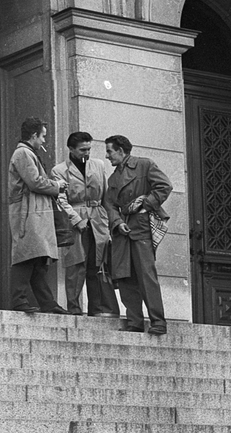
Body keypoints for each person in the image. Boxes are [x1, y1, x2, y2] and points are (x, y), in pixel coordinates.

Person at [104, 135, 172, 336]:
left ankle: (158, 321)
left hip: (141, 228)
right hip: (122, 231)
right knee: (124, 276)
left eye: (109, 151)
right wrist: (117, 222)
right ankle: (134, 321)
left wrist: (145, 205)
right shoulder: (113, 178)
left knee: (146, 275)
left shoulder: (145, 165)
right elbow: (109, 204)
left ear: (121, 151)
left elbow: (164, 186)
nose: (107, 156)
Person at [53, 132, 119, 318]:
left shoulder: (98, 165)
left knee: (98, 263)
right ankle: (74, 308)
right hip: (75, 220)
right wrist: (76, 219)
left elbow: (106, 196)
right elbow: (61, 200)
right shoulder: (59, 170)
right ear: (71, 149)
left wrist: (111, 222)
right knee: (76, 265)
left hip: (98, 218)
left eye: (89, 149)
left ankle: (99, 308)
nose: (87, 153)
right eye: (83, 150)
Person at [7, 118, 68, 315]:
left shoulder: (28, 153)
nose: (44, 141)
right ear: (34, 135)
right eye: (42, 136)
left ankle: (47, 303)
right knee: (27, 255)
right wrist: (56, 185)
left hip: (35, 211)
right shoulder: (23, 153)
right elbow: (34, 182)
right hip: (28, 212)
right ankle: (19, 300)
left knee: (38, 258)